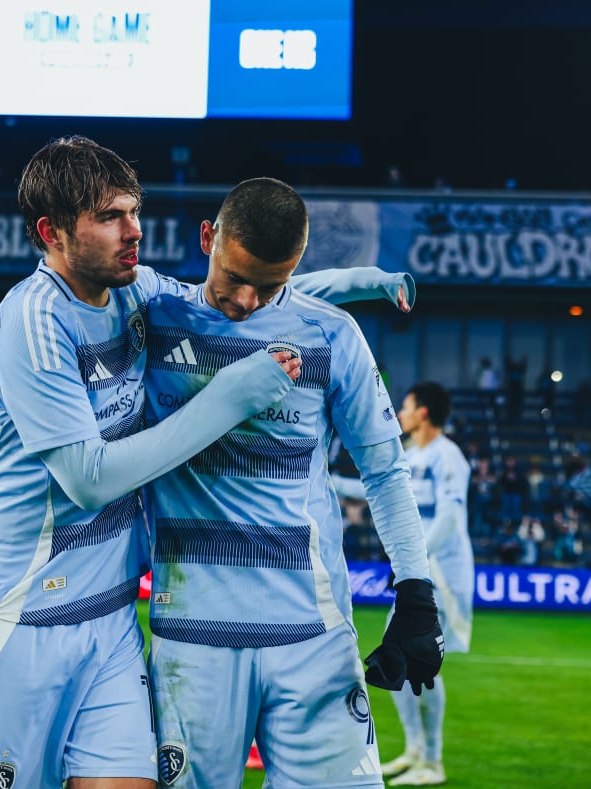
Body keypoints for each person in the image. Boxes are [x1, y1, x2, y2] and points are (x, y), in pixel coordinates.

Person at [0, 138, 415, 789]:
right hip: (18, 613)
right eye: (110, 217)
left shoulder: (134, 291)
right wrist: (232, 396)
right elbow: (87, 475)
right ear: (53, 232)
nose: (134, 232)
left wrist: (370, 283)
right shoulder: (36, 317)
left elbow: (240, 295)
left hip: (115, 621)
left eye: (132, 211)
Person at [135, 178, 440, 788]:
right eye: (233, 278)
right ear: (207, 240)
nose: (246, 301)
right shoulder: (152, 320)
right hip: (193, 642)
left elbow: (384, 473)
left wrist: (416, 592)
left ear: (296, 268)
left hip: (315, 636)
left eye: (270, 286)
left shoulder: (331, 336)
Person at [379, 381, 473, 786]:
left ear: (423, 413)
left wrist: (412, 566)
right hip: (419, 575)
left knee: (423, 663)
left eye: (406, 406)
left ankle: (432, 762)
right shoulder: (412, 454)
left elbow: (451, 518)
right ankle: (415, 751)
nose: (400, 413)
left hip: (444, 577)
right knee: (396, 656)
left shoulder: (448, 456)